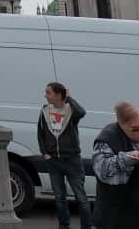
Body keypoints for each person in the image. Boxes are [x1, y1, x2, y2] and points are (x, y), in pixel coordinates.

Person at [37, 82, 92, 229]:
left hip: (72, 160)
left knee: (80, 197)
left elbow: (82, 112)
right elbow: (40, 134)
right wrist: (44, 153)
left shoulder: (71, 110)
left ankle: (87, 226)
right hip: (53, 161)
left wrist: (69, 98)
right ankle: (64, 225)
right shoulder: (44, 110)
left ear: (58, 95)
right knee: (59, 197)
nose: (45, 95)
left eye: (48, 93)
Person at [92, 101, 139, 228]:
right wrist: (127, 159)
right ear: (122, 126)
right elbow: (102, 171)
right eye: (135, 129)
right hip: (115, 216)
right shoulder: (107, 139)